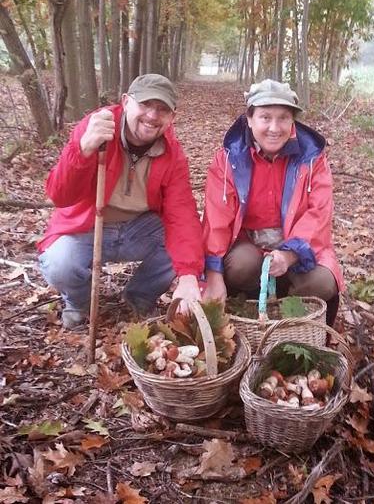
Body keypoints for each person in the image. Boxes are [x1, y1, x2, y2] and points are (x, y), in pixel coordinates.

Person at [38, 74, 203, 329]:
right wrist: (83, 149)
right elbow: (60, 195)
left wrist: (189, 275)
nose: (152, 115)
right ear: (126, 102)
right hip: (89, 224)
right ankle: (79, 304)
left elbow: (181, 213)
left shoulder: (172, 153)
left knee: (186, 243)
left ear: (172, 117)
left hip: (140, 228)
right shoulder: (97, 129)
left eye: (162, 109)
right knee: (60, 262)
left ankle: (138, 299)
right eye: (145, 104)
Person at [202, 79, 344, 326]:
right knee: (240, 266)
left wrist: (290, 254)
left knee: (321, 282)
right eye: (265, 117)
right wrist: (213, 274)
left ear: (293, 122)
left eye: (283, 118)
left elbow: (319, 213)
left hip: (300, 247)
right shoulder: (228, 159)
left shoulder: (312, 159)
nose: (274, 128)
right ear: (249, 118)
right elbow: (216, 217)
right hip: (249, 243)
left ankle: (292, 318)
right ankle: (250, 307)